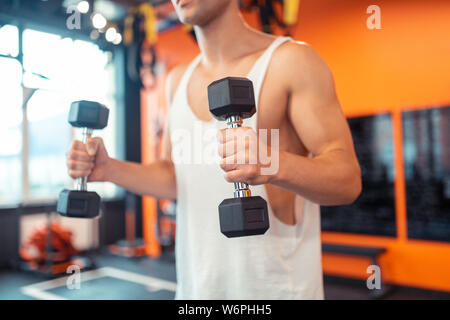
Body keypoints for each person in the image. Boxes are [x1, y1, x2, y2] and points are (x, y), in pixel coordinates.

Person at [66, 0, 361, 299]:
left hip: (276, 291)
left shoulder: (291, 61)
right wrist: (110, 169)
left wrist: (271, 162)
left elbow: (347, 181)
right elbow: (174, 176)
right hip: (198, 293)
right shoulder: (176, 80)